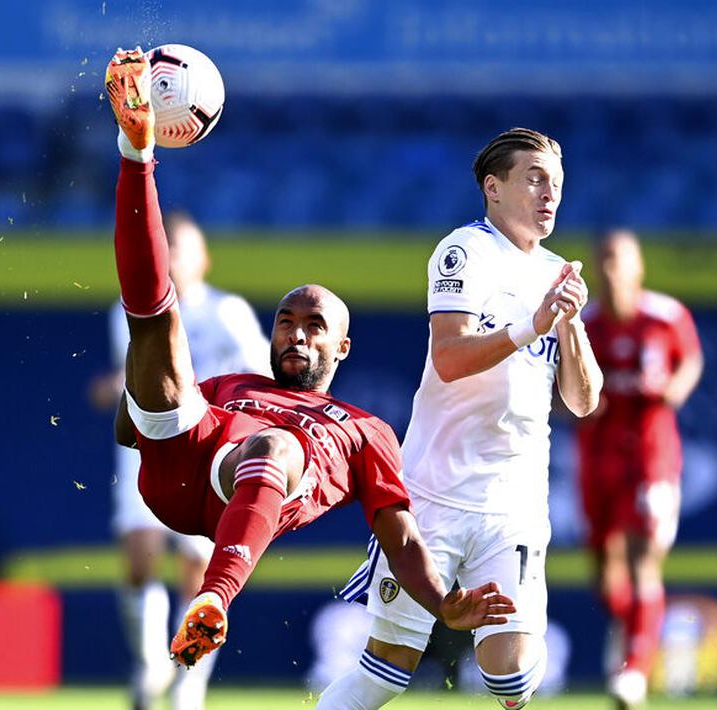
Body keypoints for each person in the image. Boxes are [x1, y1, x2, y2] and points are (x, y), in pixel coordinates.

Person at [102, 46, 516, 674]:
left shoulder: (364, 430)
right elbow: (134, 429)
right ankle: (137, 155)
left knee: (276, 447)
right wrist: (145, 394)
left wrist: (443, 601)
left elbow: (400, 536)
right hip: (180, 466)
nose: (295, 335)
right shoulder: (234, 382)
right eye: (286, 322)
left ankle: (213, 601)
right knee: (159, 322)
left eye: (314, 326)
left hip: (244, 486)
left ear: (342, 347)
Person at [319, 127, 603, 710]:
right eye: (534, 179)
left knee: (513, 677)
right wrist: (534, 324)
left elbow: (584, 400)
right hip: (433, 493)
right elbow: (449, 358)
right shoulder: (465, 251)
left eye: (557, 183)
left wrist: (569, 323)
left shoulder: (558, 277)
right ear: (492, 188)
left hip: (513, 504)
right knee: (385, 673)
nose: (550, 193)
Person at [88, 208, 270, 710]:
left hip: (207, 455)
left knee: (198, 574)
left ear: (203, 259)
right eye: (164, 247)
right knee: (139, 558)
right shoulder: (128, 310)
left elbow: (260, 374)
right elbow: (136, 378)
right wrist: (117, 388)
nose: (170, 258)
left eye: (181, 249)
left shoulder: (226, 312)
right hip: (147, 449)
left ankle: (188, 680)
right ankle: (150, 666)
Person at [575, 229, 703, 710]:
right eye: (603, 260)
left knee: (643, 560)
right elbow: (561, 390)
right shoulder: (583, 324)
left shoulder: (666, 317)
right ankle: (629, 629)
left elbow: (690, 359)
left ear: (638, 267)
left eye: (619, 260)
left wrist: (677, 386)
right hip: (597, 457)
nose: (611, 270)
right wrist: (577, 402)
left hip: (651, 455)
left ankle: (634, 672)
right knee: (605, 573)